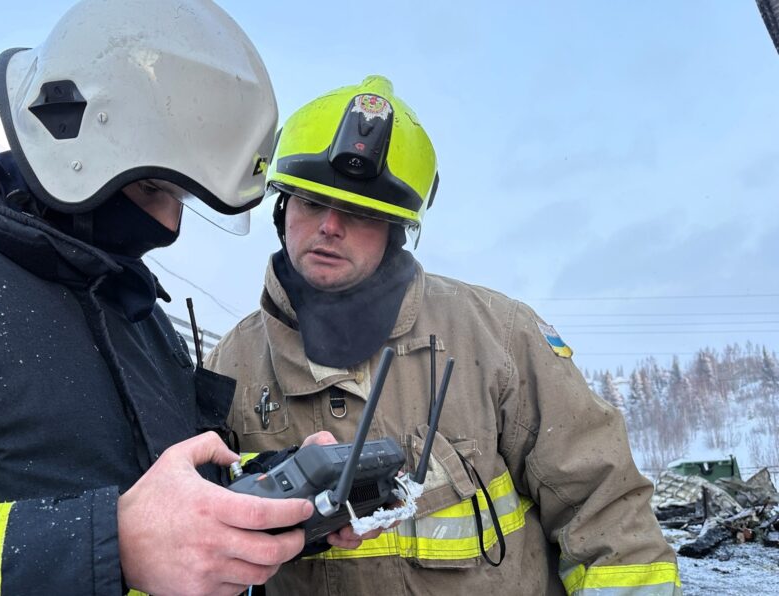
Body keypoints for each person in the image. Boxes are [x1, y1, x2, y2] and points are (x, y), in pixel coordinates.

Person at [0, 2, 374, 594]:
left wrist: (273, 496)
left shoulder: (138, 320)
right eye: (160, 190)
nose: (171, 227)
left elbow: (165, 499)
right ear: (75, 140)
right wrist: (112, 545)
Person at [206, 75, 682, 595]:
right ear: (281, 208)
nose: (329, 227)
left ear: (395, 229)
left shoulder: (499, 336)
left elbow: (607, 514)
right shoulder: (231, 367)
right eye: (312, 202)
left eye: (360, 212)